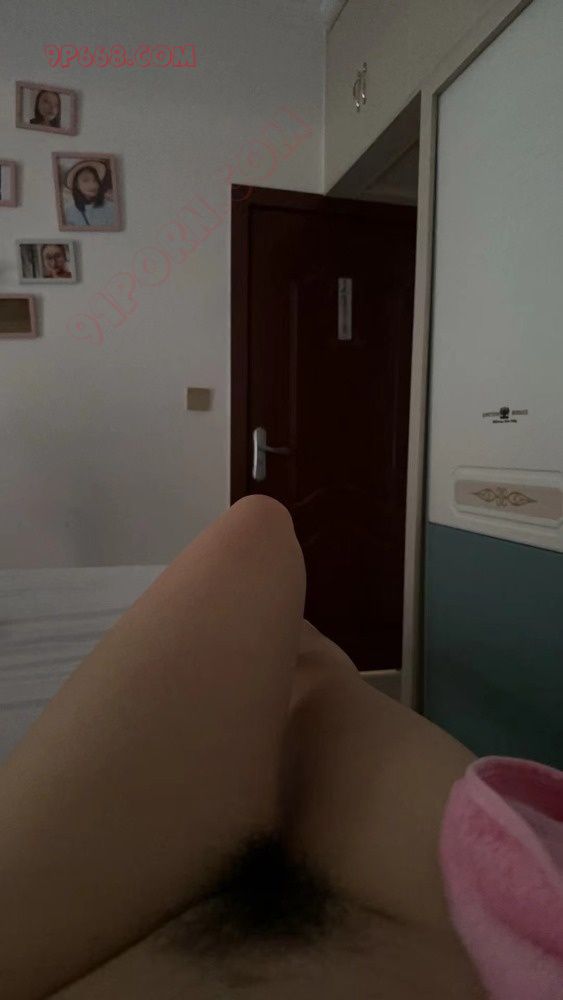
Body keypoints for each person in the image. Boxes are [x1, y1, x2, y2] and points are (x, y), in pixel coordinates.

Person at [0, 497, 524, 998]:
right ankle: (307, 657)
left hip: (489, 925)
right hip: (504, 933)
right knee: (308, 653)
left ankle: (304, 656)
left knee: (261, 536)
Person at [63, 161, 116, 228]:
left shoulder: (111, 207)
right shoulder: (69, 211)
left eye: (95, 180)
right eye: (86, 180)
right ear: (76, 185)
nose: (92, 185)